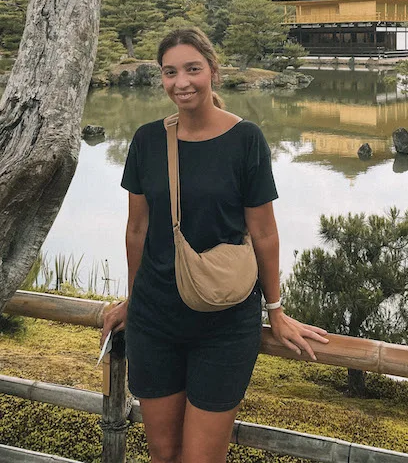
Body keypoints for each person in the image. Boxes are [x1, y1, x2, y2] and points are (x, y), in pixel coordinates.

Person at [101, 27, 329, 463]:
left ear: (213, 72)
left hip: (224, 324)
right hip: (155, 321)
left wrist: (275, 311)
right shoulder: (148, 141)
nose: (181, 82)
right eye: (170, 72)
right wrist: (133, 300)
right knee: (163, 454)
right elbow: (136, 230)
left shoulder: (246, 141)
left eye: (192, 69)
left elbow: (264, 232)